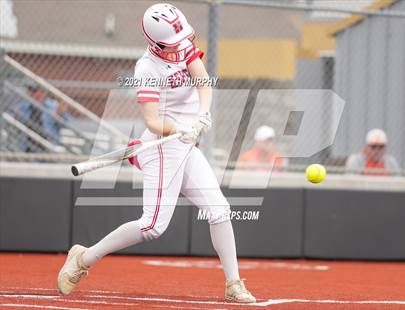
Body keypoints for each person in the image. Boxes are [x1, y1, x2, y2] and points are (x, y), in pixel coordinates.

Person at [57, 3, 256, 303]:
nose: (180, 48)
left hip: (186, 143)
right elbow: (151, 120)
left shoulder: (183, 43)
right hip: (165, 147)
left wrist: (203, 114)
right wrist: (178, 129)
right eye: (172, 46)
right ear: (156, 43)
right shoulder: (146, 68)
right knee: (152, 227)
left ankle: (233, 283)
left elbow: (203, 80)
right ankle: (84, 258)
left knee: (219, 210)